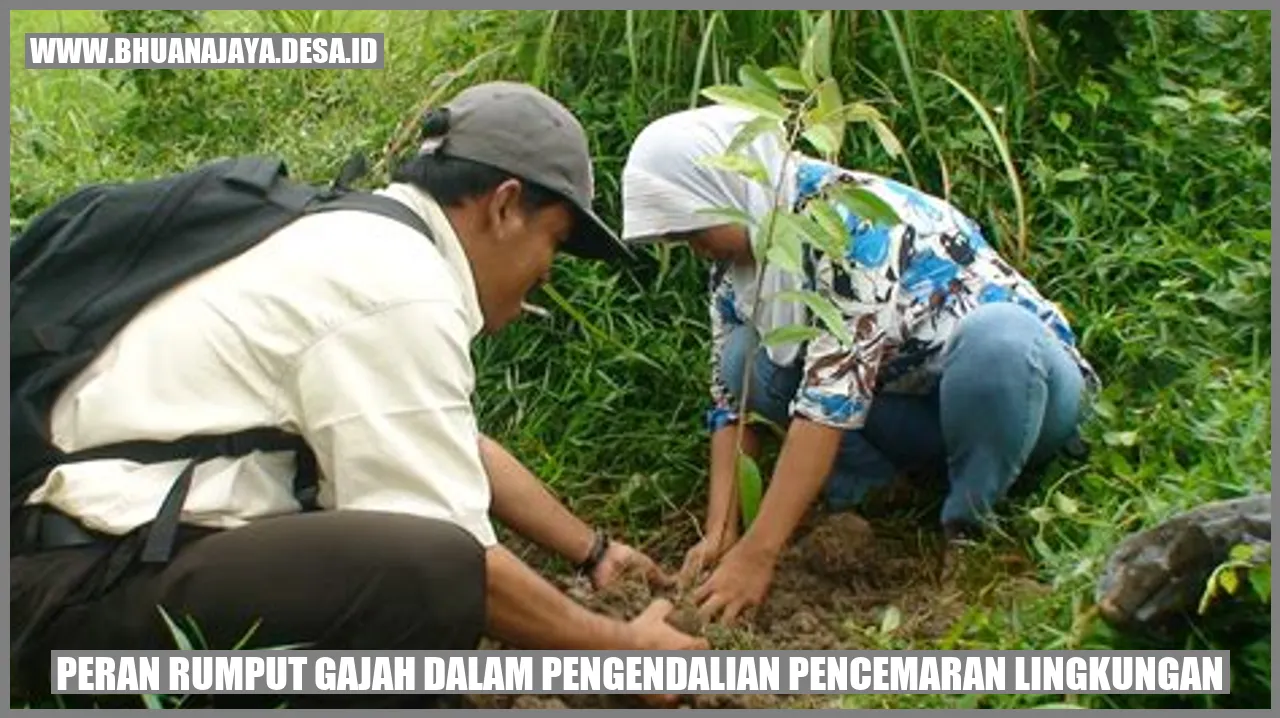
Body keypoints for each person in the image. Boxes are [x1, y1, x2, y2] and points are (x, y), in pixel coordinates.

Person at [11, 81, 705, 708]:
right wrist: (624, 653)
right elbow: (460, 560)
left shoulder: (356, 238)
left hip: (90, 569)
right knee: (425, 569)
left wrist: (594, 551)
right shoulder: (398, 284)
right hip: (84, 603)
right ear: (504, 207)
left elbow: (454, 449)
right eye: (554, 243)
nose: (546, 274)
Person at [620, 105, 1100, 625]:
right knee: (746, 358)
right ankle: (883, 492)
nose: (696, 250)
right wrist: (721, 531)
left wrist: (758, 555)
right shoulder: (742, 261)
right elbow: (730, 398)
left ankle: (971, 531)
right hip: (917, 417)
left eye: (695, 230)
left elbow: (831, 399)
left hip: (1024, 403)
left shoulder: (853, 224)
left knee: (998, 340)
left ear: (730, 190)